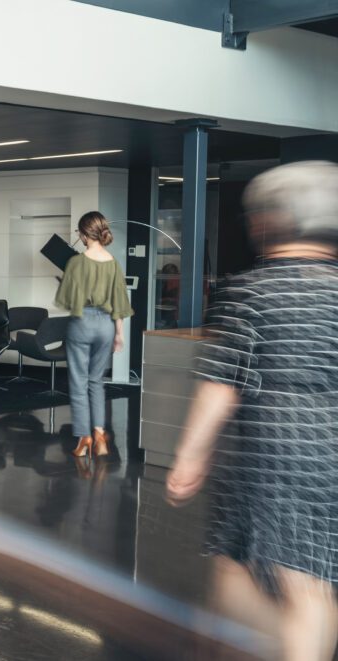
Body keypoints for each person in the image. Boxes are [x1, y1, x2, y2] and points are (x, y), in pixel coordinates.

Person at [167, 161, 338, 661]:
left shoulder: (252, 292)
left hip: (271, 455)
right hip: (331, 453)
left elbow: (221, 387)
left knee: (245, 563)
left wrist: (189, 458)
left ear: (267, 221)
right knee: (312, 578)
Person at [54, 211, 133, 458]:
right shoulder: (112, 263)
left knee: (78, 383)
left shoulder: (77, 263)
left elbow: (66, 300)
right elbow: (120, 302)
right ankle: (100, 434)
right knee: (96, 382)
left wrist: (65, 282)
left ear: (83, 234)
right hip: (107, 326)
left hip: (83, 322)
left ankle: (84, 437)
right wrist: (119, 334)